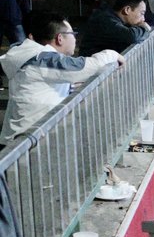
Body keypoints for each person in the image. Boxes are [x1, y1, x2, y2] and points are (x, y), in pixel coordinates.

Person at [0, 11, 123, 147]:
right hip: (28, 142)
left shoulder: (33, 57)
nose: (75, 39)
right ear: (60, 38)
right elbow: (84, 68)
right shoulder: (44, 59)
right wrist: (111, 54)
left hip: (25, 137)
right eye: (73, 34)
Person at [78, 0, 151, 56]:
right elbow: (131, 36)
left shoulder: (114, 17)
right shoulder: (105, 20)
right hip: (94, 68)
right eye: (142, 13)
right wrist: (143, 28)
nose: (143, 19)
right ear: (127, 10)